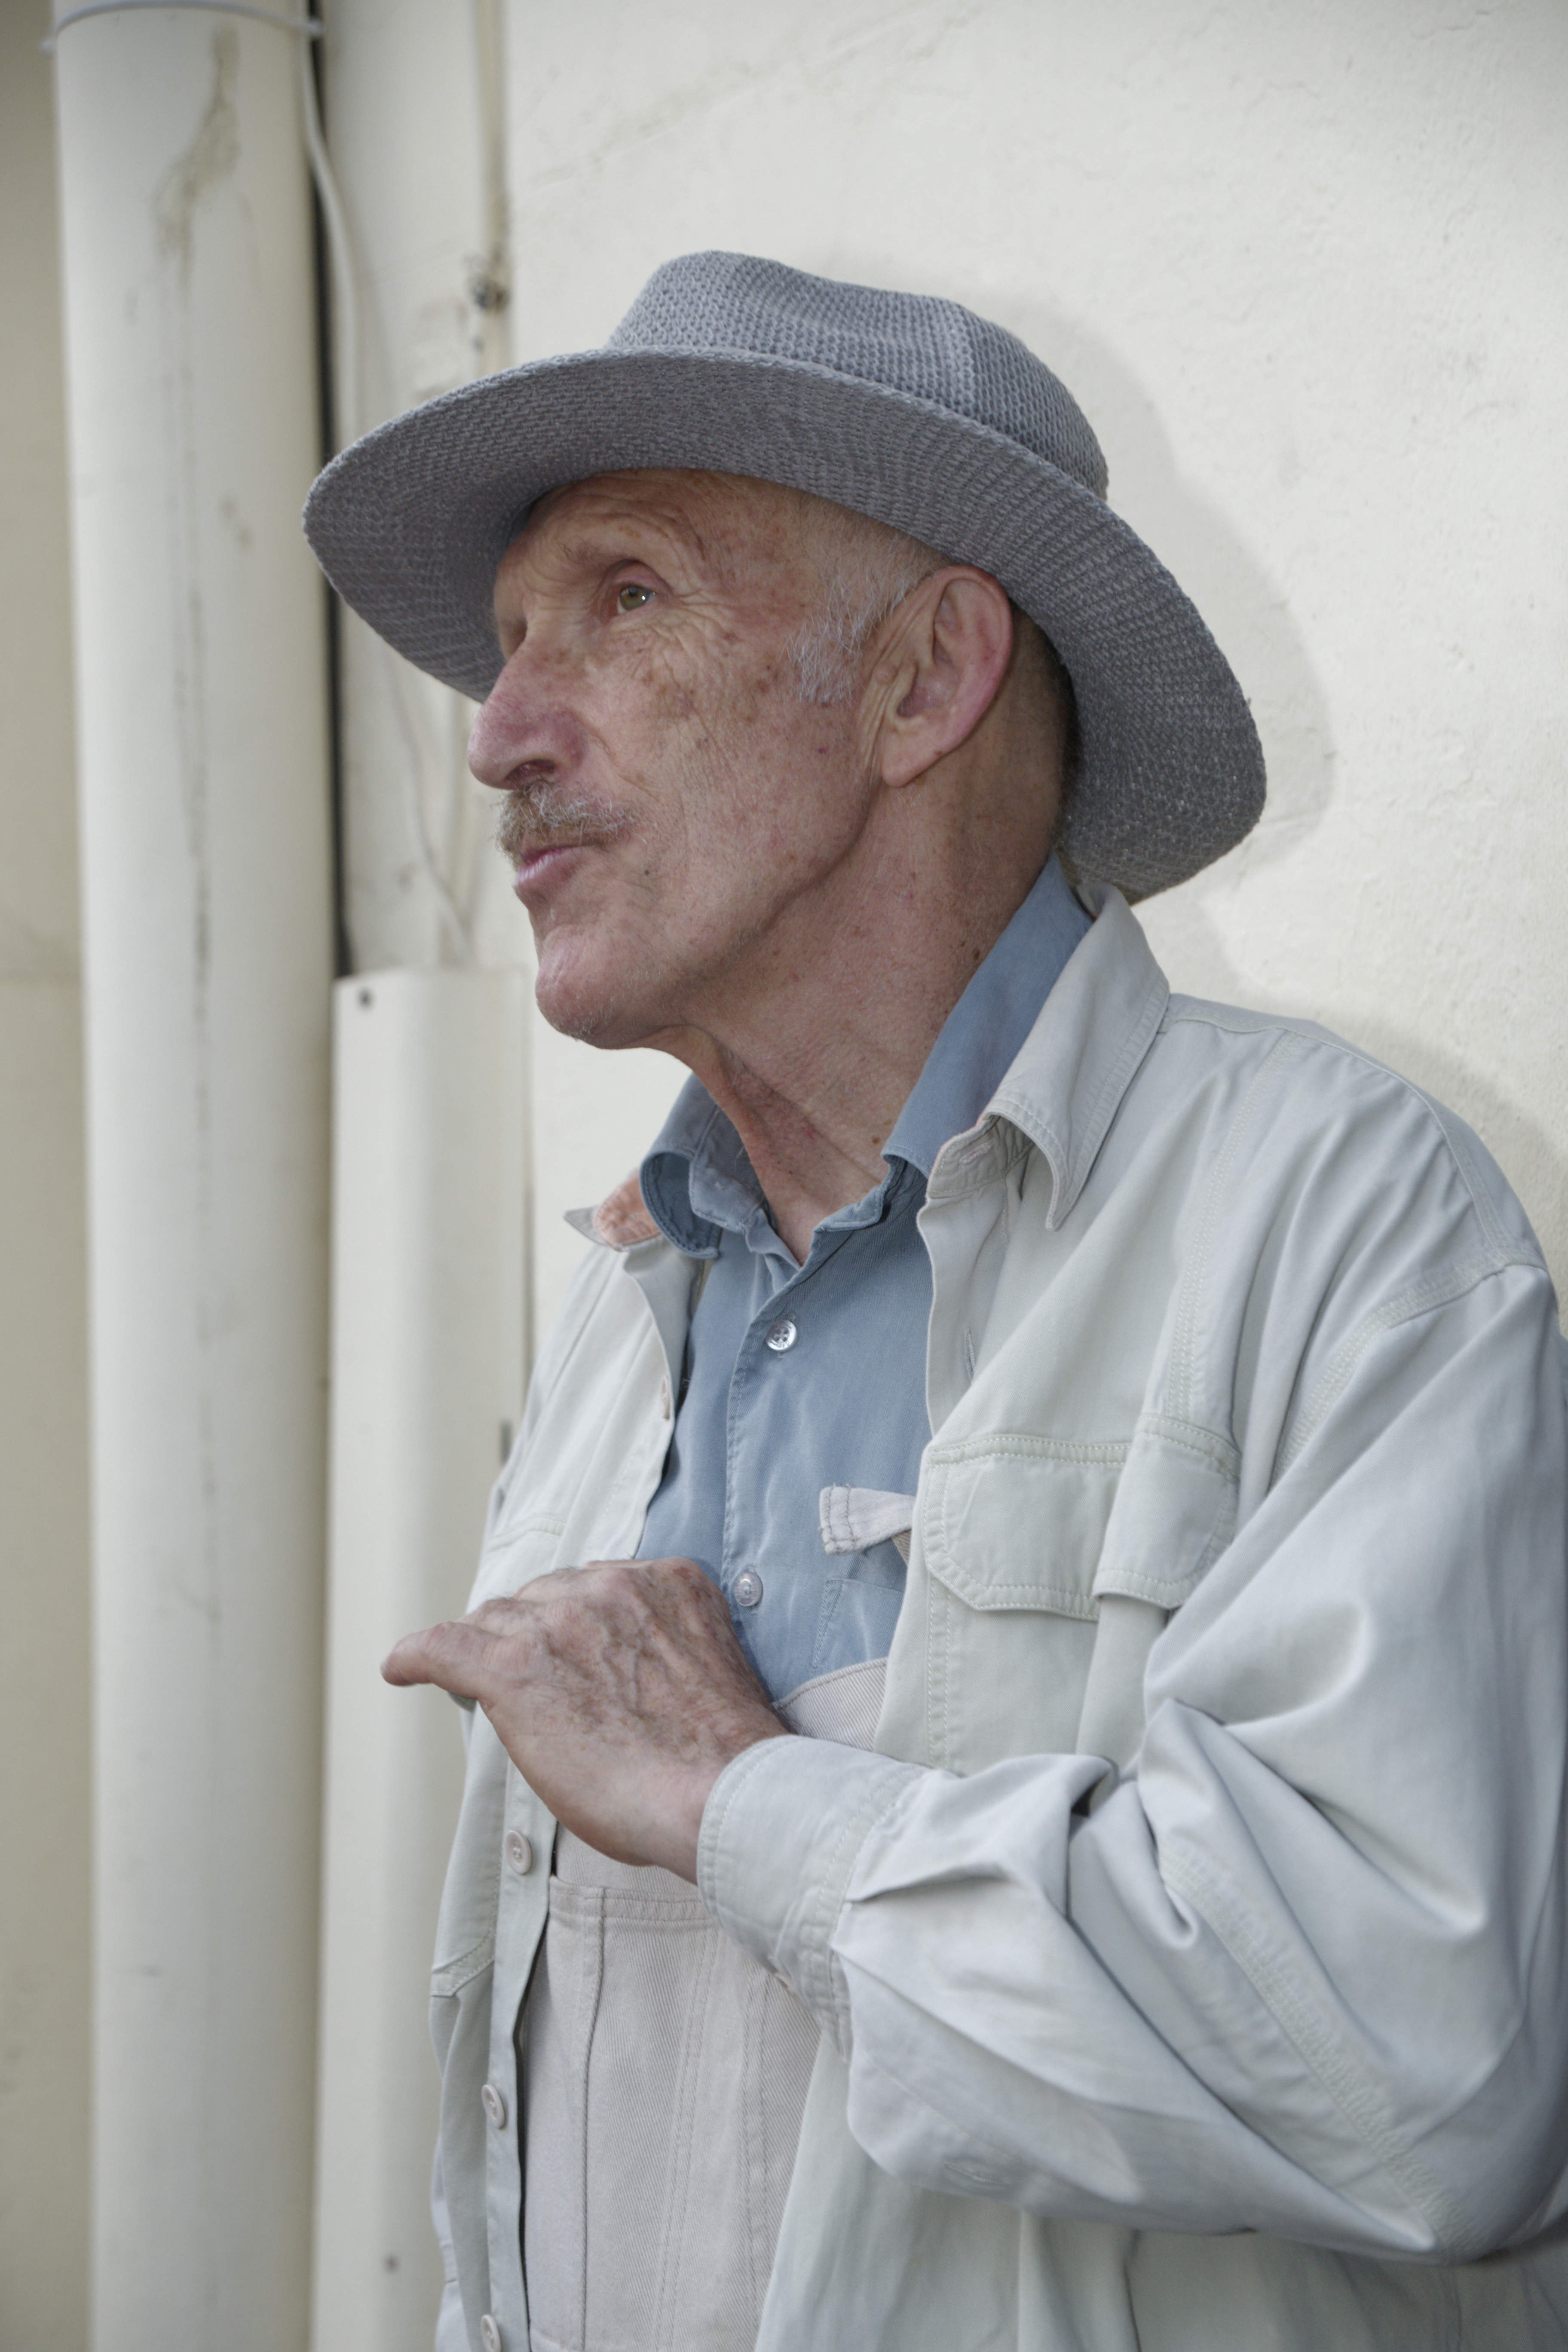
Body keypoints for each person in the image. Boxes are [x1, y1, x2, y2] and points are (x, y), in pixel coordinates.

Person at [304, 251, 1568, 2352]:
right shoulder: (625, 1310)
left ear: (925, 681)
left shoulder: (1346, 1222)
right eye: (511, 642)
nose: (500, 738)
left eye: (625, 598)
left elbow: (1422, 2077)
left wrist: (739, 1804)